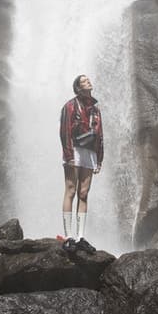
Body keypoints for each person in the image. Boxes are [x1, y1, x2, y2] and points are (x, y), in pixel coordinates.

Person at [59, 74, 103, 253]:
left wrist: (99, 158)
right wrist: (68, 154)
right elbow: (64, 131)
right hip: (75, 150)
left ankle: (80, 237)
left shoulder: (95, 109)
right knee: (70, 190)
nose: (89, 82)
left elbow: (100, 134)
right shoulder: (69, 106)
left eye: (88, 80)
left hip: (90, 152)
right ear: (78, 88)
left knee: (83, 193)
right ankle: (68, 236)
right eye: (84, 81)